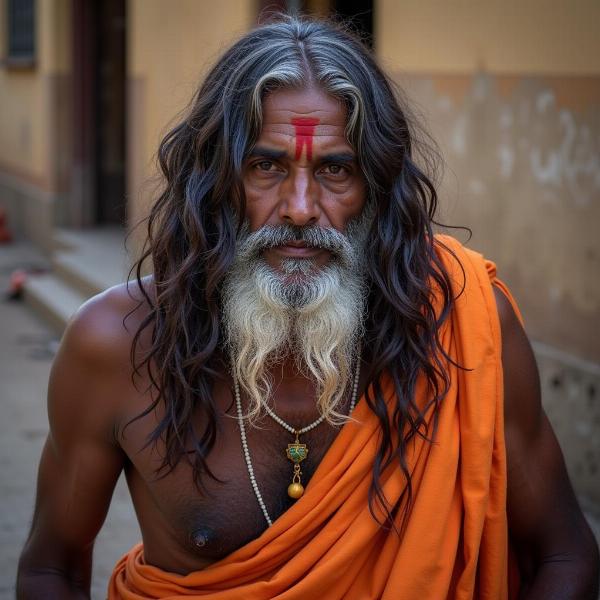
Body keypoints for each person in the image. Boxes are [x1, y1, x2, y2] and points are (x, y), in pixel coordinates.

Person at [17, 16, 599, 600]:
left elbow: (564, 554)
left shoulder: (463, 323)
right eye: (265, 166)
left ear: (378, 186)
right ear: (213, 179)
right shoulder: (114, 345)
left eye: (335, 170)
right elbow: (51, 570)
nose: (299, 208)